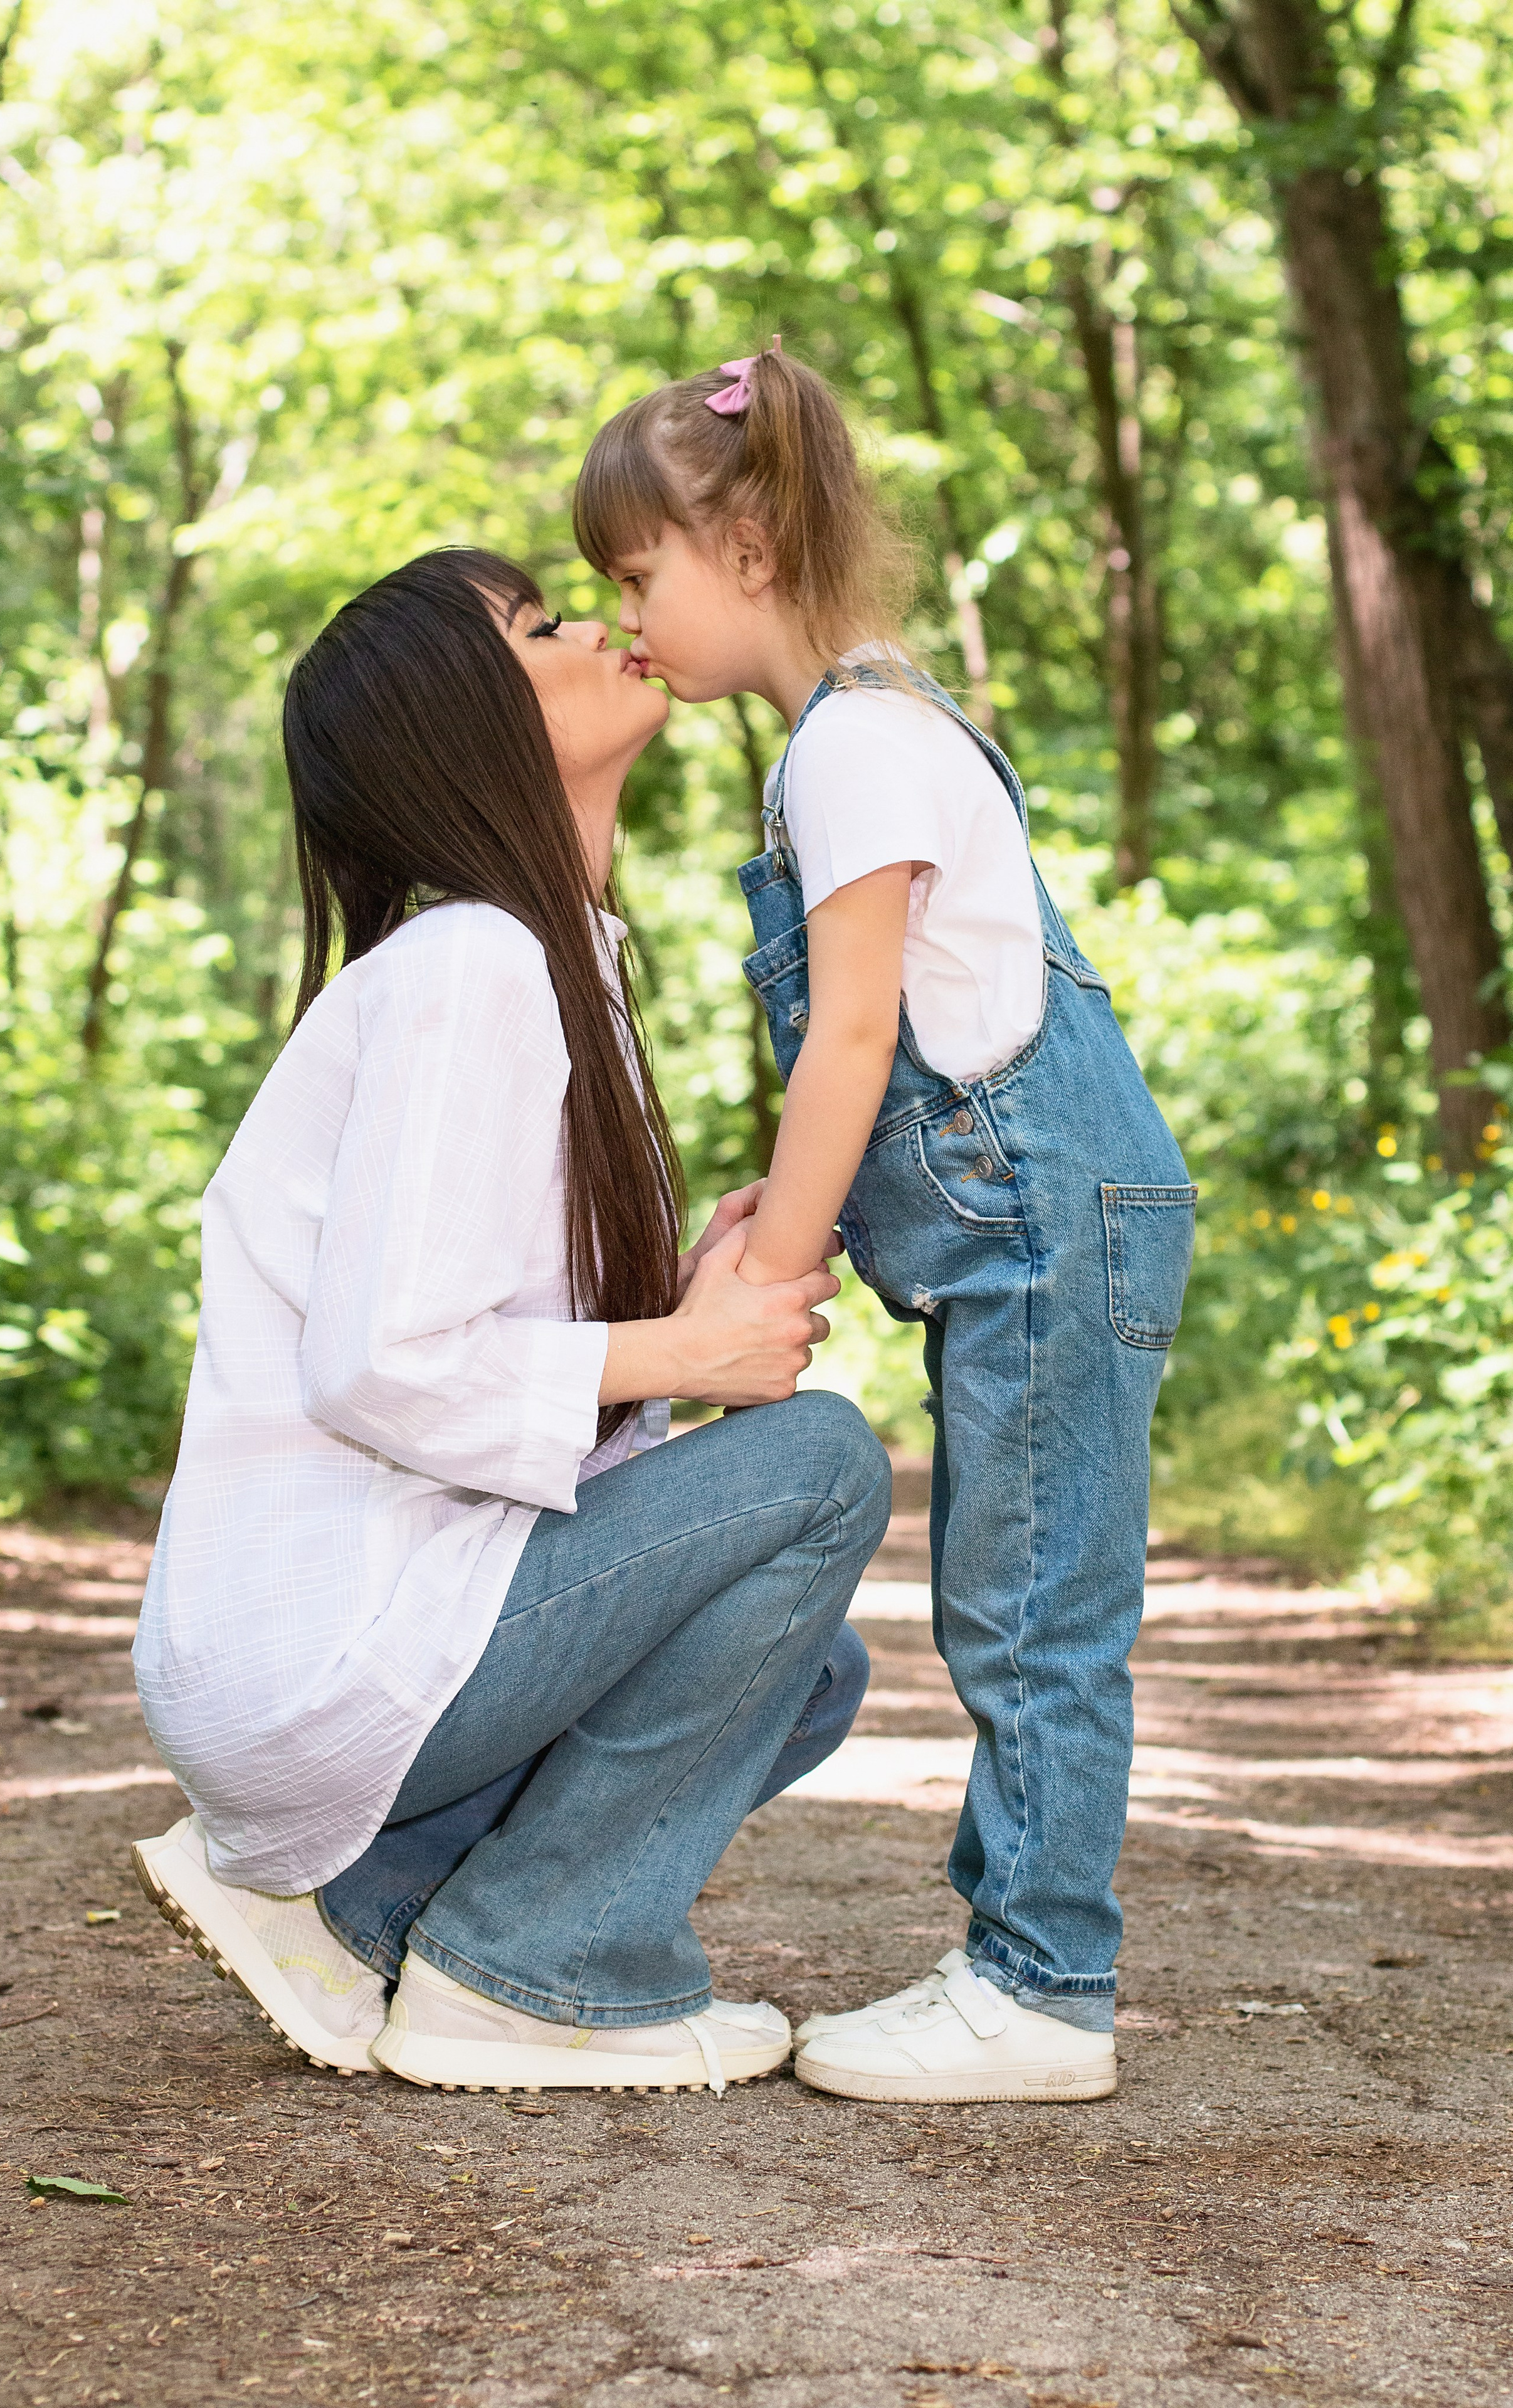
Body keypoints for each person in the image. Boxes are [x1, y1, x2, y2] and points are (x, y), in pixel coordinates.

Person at [130, 546, 892, 2096]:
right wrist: (682, 1354)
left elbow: (471, 1354)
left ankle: (366, 1911)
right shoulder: (473, 963)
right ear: (461, 722)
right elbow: (381, 1363)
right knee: (818, 1468)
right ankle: (536, 1968)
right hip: (330, 1650)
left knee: (808, 1675)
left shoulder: (553, 964)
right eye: (541, 626)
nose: (604, 626)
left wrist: (663, 1312)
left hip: (381, 1632)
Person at [572, 344, 1198, 2105]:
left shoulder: (855, 745)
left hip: (1052, 1220)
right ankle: (1028, 1966)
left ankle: (1042, 1989)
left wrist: (760, 1291)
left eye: (641, 578)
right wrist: (814, 1200)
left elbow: (857, 1036)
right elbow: (919, 1039)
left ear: (749, 546)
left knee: (1030, 1606)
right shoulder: (849, 736)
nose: (630, 622)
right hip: (1037, 1211)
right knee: (1014, 1590)